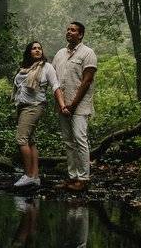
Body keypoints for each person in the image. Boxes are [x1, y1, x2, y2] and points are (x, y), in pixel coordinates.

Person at [12, 41, 66, 188]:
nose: (37, 50)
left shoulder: (46, 67)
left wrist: (62, 105)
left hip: (34, 106)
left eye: (39, 48)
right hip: (22, 107)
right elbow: (19, 88)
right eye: (34, 48)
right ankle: (35, 176)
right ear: (29, 52)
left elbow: (55, 86)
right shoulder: (24, 68)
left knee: (21, 139)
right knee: (30, 140)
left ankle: (28, 175)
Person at [52, 21, 97, 192]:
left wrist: (72, 105)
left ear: (81, 34)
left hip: (80, 106)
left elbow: (86, 81)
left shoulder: (88, 53)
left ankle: (83, 179)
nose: (69, 32)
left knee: (80, 140)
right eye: (68, 29)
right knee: (68, 142)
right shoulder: (60, 54)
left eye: (73, 30)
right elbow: (54, 81)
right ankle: (72, 177)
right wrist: (63, 105)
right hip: (63, 105)